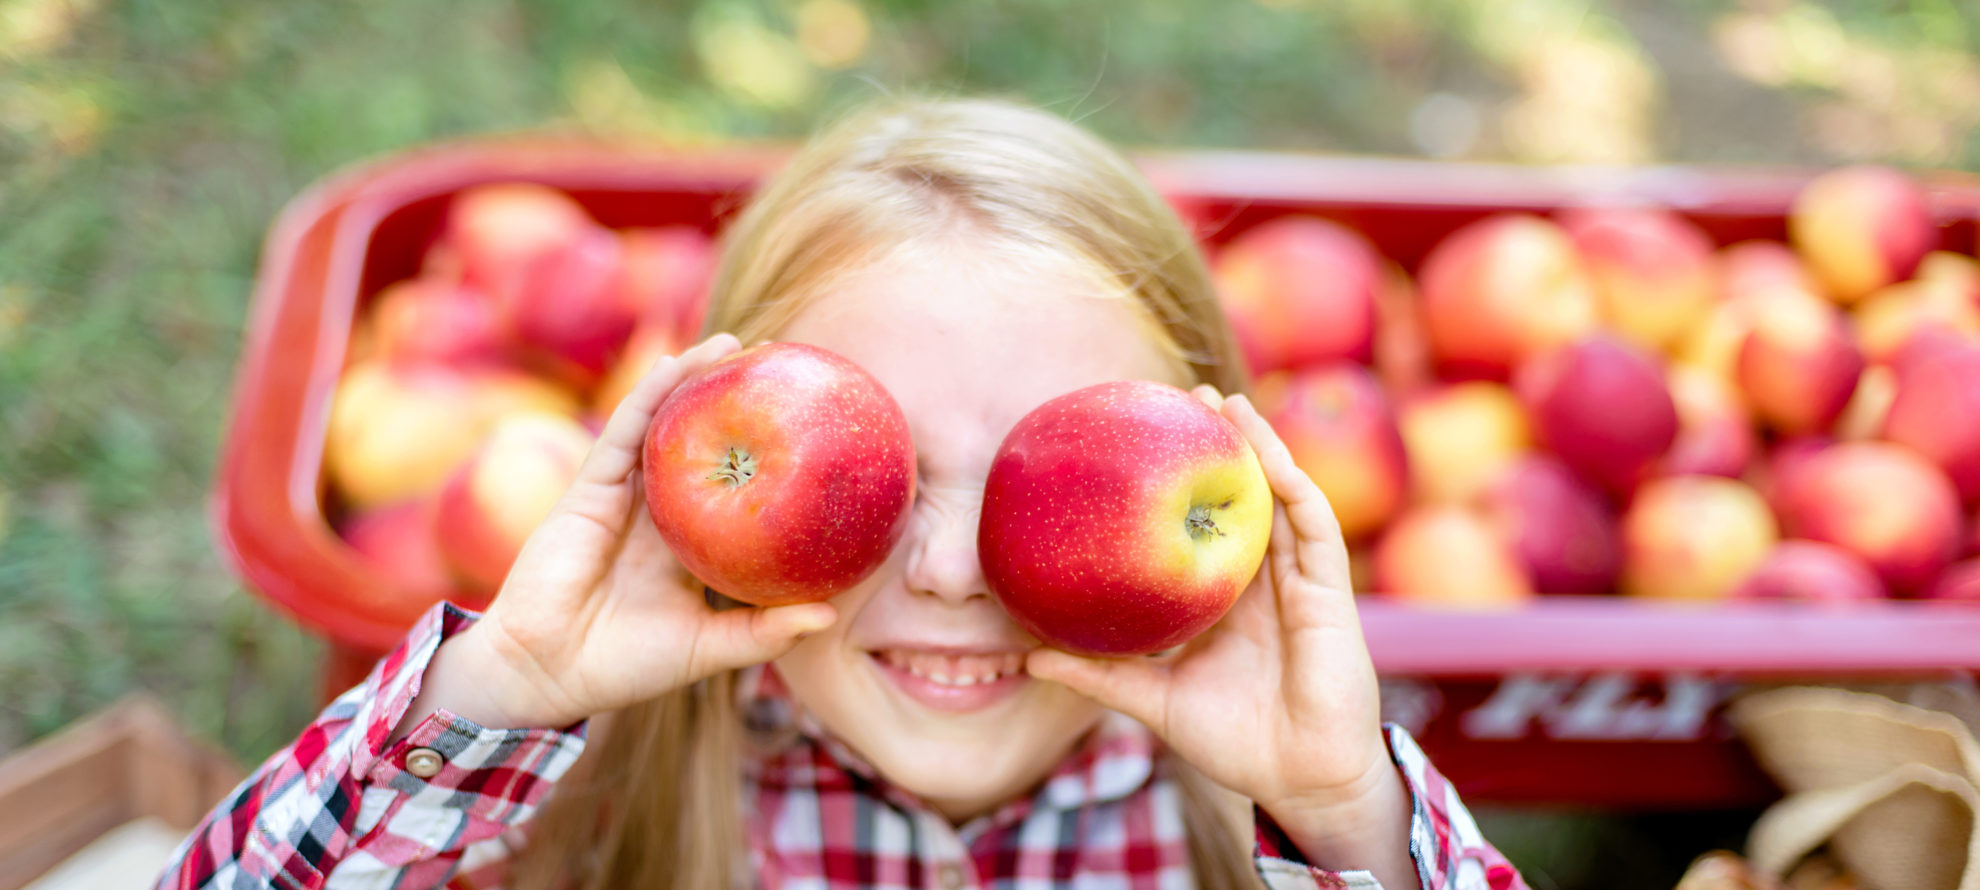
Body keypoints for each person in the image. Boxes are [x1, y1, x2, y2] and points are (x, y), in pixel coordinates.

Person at [158, 98, 1525, 890]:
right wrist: (499, 693)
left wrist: (1355, 822)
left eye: (1039, 487)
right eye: (876, 482)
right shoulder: (575, 801)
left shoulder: (1249, 828)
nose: (947, 569)